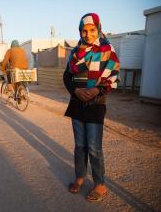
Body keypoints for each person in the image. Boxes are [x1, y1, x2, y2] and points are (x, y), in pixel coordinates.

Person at [63, 13, 120, 202]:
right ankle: (80, 177)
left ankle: (100, 184)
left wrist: (97, 90)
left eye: (92, 30)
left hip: (96, 105)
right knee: (80, 146)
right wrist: (76, 91)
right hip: (77, 104)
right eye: (84, 31)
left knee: (94, 148)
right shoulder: (74, 52)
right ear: (80, 31)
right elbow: (67, 76)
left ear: (99, 29)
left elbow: (113, 77)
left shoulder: (107, 50)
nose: (87, 34)